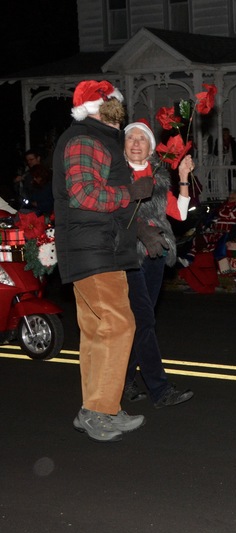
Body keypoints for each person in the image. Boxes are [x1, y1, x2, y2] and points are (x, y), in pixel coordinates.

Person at [52, 80, 154, 442]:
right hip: (95, 250)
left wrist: (140, 228)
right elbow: (83, 193)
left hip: (100, 246)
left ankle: (94, 407)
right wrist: (130, 192)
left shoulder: (99, 139)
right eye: (110, 100)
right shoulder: (86, 139)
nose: (116, 105)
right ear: (97, 106)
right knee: (120, 324)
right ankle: (100, 411)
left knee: (97, 332)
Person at [121, 119, 195, 408]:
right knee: (145, 321)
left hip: (156, 255)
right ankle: (160, 390)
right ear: (124, 145)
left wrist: (184, 177)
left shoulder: (158, 177)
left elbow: (179, 213)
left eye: (142, 139)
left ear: (151, 148)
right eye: (131, 138)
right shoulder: (116, 176)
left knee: (141, 323)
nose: (136, 143)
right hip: (128, 255)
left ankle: (124, 380)